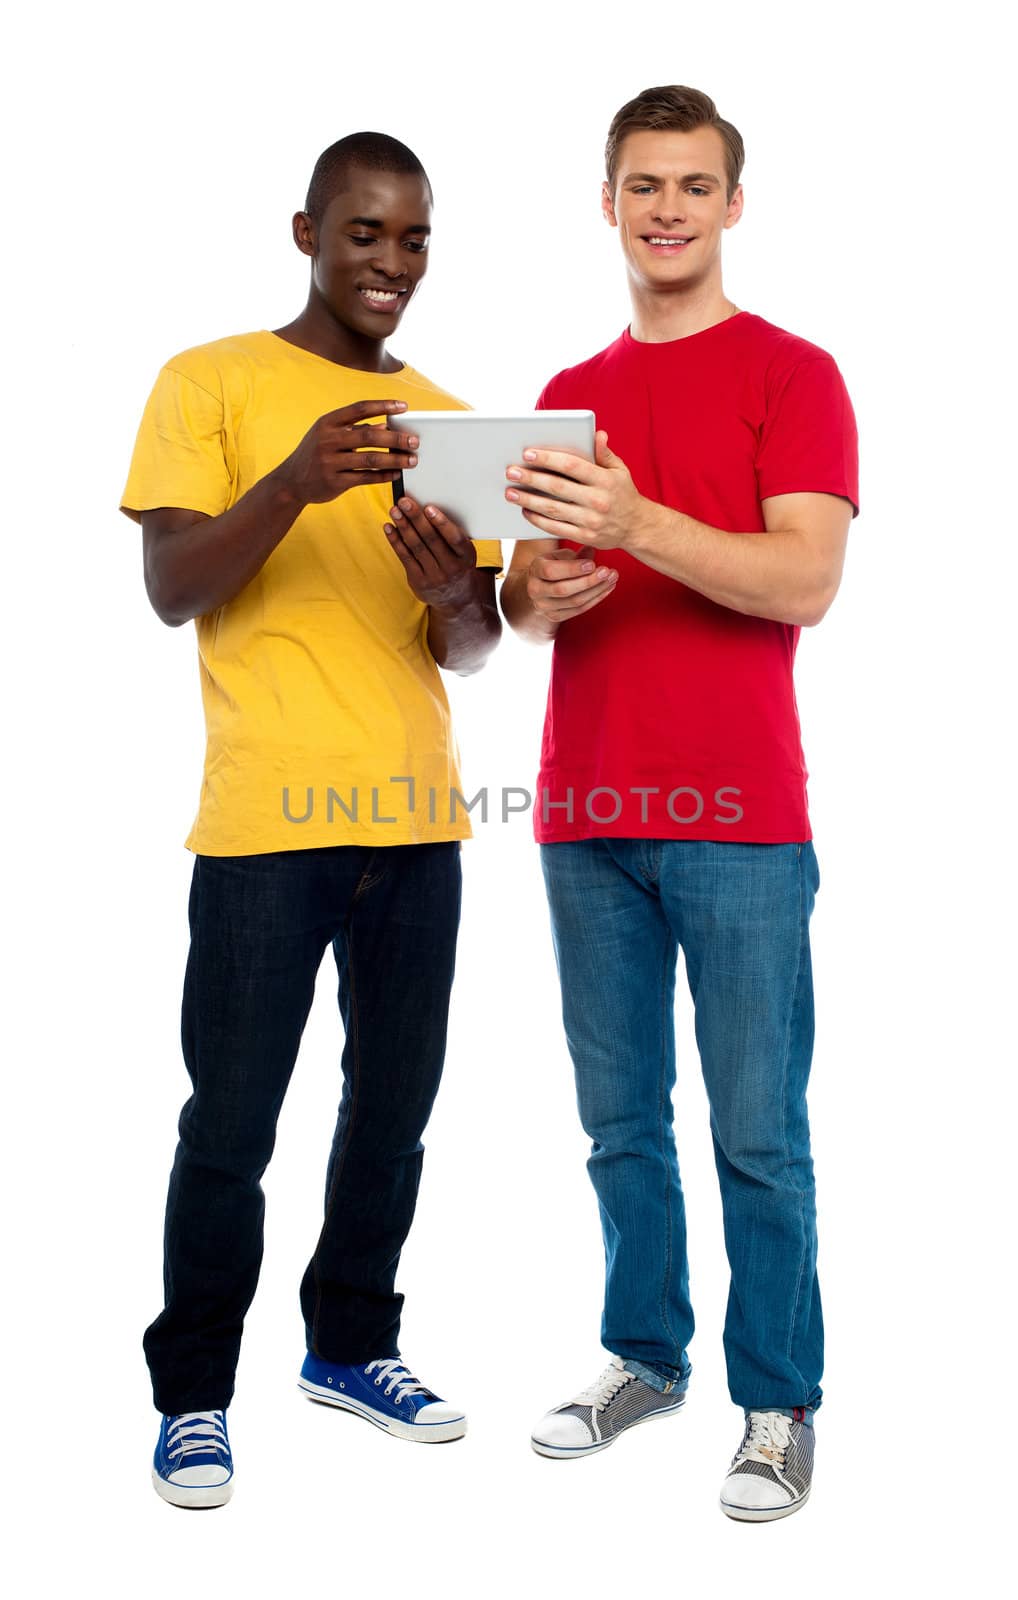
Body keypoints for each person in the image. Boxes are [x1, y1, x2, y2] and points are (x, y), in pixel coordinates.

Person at [120, 132, 502, 1509]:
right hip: (265, 826)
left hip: (415, 820)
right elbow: (172, 587)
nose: (390, 264)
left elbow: (466, 646)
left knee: (389, 1115)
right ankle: (195, 1397)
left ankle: (350, 1350)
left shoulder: (453, 423)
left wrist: (458, 587)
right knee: (230, 1122)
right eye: (363, 234)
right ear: (306, 233)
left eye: (412, 240)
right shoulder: (209, 380)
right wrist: (290, 482)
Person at [500, 85, 859, 1522]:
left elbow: (804, 583)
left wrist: (637, 522)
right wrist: (540, 587)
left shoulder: (793, 375)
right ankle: (644, 1357)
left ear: (730, 205)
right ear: (606, 203)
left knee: (758, 1130)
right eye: (641, 185)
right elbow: (520, 608)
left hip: (742, 820)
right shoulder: (564, 397)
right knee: (617, 1121)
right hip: (586, 814)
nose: (665, 209)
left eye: (692, 186)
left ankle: (775, 1401)